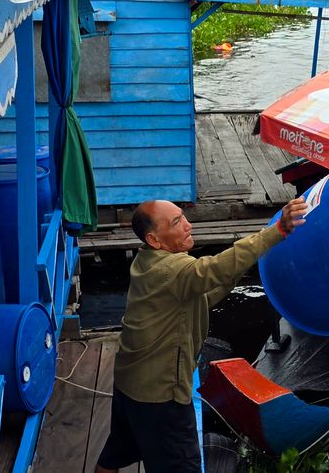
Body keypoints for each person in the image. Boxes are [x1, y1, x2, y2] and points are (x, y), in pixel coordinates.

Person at [95, 196, 308, 473]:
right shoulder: (172, 270)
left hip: (130, 383)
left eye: (183, 217)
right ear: (155, 240)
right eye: (176, 223)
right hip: (160, 395)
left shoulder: (148, 262)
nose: (188, 226)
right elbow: (211, 269)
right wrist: (277, 231)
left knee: (117, 452)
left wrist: (235, 271)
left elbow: (202, 296)